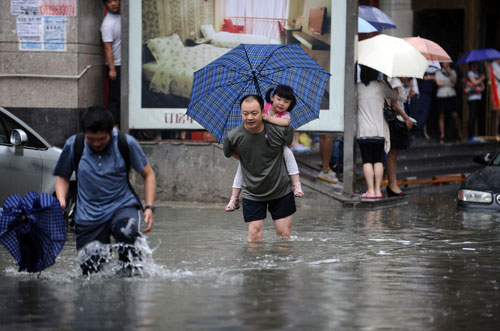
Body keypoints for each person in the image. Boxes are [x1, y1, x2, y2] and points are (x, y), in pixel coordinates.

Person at [53, 106, 156, 275]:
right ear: (84, 134)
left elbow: (149, 174)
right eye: (90, 139)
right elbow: (62, 177)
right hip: (88, 214)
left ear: (112, 131)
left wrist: (150, 207)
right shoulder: (75, 144)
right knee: (90, 271)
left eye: (101, 139)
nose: (96, 143)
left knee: (127, 236)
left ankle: (130, 287)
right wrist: (61, 199)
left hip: (122, 206)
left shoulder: (126, 143)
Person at [223, 95, 296, 242]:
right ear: (241, 113)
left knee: (283, 235)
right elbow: (229, 153)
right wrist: (249, 158)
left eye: (254, 113)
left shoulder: (278, 131)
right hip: (253, 192)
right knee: (254, 235)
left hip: (280, 189)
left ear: (263, 111)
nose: (249, 117)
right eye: (245, 113)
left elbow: (288, 143)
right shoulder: (233, 136)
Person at [225, 86, 303, 212]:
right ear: (272, 97)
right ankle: (234, 198)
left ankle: (296, 184)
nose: (281, 104)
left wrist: (267, 118)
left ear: (290, 104)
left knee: (287, 153)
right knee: (242, 167)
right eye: (279, 99)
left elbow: (285, 123)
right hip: (257, 145)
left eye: (286, 102)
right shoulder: (264, 107)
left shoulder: (285, 115)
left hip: (275, 144)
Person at [357, 65, 389, 199]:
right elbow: (394, 96)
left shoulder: (357, 88)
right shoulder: (380, 86)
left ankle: (370, 191)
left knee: (367, 161)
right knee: (378, 160)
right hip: (379, 130)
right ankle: (378, 190)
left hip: (364, 131)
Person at [384, 76, 414, 197]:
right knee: (392, 153)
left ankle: (393, 183)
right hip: (396, 120)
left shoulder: (398, 83)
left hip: (399, 119)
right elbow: (395, 103)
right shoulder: (395, 82)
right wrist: (406, 117)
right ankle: (392, 184)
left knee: (394, 154)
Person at [101, 0, 121, 128]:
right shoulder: (107, 24)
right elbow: (107, 48)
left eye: (116, 0)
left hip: (126, 64)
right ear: (105, 5)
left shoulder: (121, 17)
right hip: (116, 66)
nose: (113, 3)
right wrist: (112, 68)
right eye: (109, 1)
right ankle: (114, 127)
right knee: (115, 98)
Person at [434, 62, 463, 141]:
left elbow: (454, 82)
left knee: (455, 115)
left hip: (451, 95)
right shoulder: (438, 72)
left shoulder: (453, 72)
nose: (444, 63)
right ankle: (442, 134)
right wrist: (449, 84)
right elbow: (438, 83)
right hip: (441, 95)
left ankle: (459, 132)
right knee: (441, 115)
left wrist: (449, 73)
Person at [465, 62, 486, 140]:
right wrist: (481, 79)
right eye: (473, 66)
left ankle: (474, 134)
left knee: (476, 117)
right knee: (472, 117)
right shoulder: (470, 73)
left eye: (476, 66)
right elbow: (474, 82)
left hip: (478, 97)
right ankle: (470, 136)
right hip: (472, 98)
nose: (475, 67)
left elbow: (481, 87)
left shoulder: (477, 73)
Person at [490, 59, 500, 137]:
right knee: (496, 113)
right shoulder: (494, 65)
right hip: (496, 93)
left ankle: (496, 132)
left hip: (498, 92)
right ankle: (495, 133)